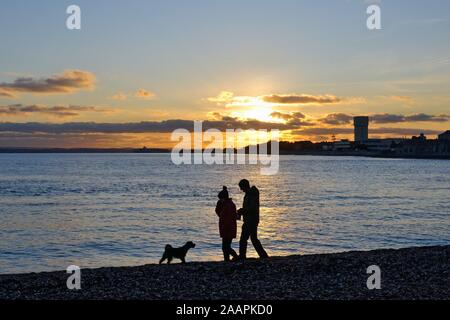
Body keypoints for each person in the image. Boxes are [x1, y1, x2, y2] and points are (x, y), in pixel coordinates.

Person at [237, 179, 269, 259]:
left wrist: (242, 211)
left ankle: (242, 256)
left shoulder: (251, 194)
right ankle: (263, 255)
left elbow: (252, 208)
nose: (241, 189)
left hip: (251, 220)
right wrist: (243, 211)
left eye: (241, 187)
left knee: (244, 239)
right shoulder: (250, 193)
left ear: (245, 186)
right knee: (253, 239)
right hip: (251, 219)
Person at [215, 186, 239, 262]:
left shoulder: (229, 205)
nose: (220, 200)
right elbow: (219, 214)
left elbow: (228, 219)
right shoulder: (225, 205)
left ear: (224, 198)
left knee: (226, 247)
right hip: (226, 228)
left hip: (228, 229)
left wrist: (224, 228)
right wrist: (218, 206)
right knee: (226, 246)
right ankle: (227, 259)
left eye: (220, 199)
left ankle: (235, 257)